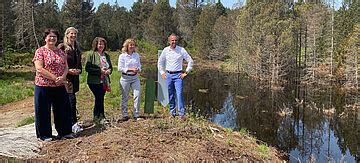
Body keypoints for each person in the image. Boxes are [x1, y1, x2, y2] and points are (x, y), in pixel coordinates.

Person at [33, 28, 73, 141]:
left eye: (54, 36)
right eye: (50, 36)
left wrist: (63, 77)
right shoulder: (40, 51)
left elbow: (66, 67)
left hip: (59, 86)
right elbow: (39, 68)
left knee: (63, 109)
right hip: (43, 86)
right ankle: (45, 135)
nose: (52, 38)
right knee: (43, 111)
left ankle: (65, 132)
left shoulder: (61, 52)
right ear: (45, 38)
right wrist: (54, 78)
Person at [157, 33, 194, 120]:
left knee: (179, 94)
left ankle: (181, 114)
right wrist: (162, 72)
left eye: (175, 40)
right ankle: (172, 113)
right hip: (168, 75)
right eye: (172, 40)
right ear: (169, 41)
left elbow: (190, 61)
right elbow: (160, 62)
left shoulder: (181, 50)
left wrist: (186, 72)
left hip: (178, 76)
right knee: (170, 94)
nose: (174, 42)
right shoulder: (165, 50)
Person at [58, 27, 82, 133]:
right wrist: (68, 71)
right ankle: (71, 124)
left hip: (75, 78)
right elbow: (58, 64)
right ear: (67, 34)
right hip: (65, 78)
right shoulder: (62, 47)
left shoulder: (76, 47)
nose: (73, 36)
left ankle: (71, 123)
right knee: (70, 100)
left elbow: (79, 63)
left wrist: (79, 70)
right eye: (71, 34)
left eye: (75, 34)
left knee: (72, 100)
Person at [85, 37, 112, 124]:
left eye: (103, 44)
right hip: (94, 81)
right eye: (99, 44)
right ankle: (101, 116)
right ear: (96, 44)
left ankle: (96, 116)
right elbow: (87, 68)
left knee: (100, 98)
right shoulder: (91, 54)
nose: (101, 45)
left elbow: (110, 67)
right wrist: (100, 71)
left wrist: (109, 71)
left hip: (104, 81)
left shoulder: (106, 55)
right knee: (99, 97)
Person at [118, 39, 142, 121]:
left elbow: (139, 66)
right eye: (130, 45)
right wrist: (130, 69)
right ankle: (125, 114)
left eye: (133, 45)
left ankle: (136, 114)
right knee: (125, 97)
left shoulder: (137, 55)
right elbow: (120, 68)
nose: (132, 46)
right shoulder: (122, 56)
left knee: (137, 95)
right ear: (127, 46)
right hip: (125, 78)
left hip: (135, 78)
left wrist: (138, 69)